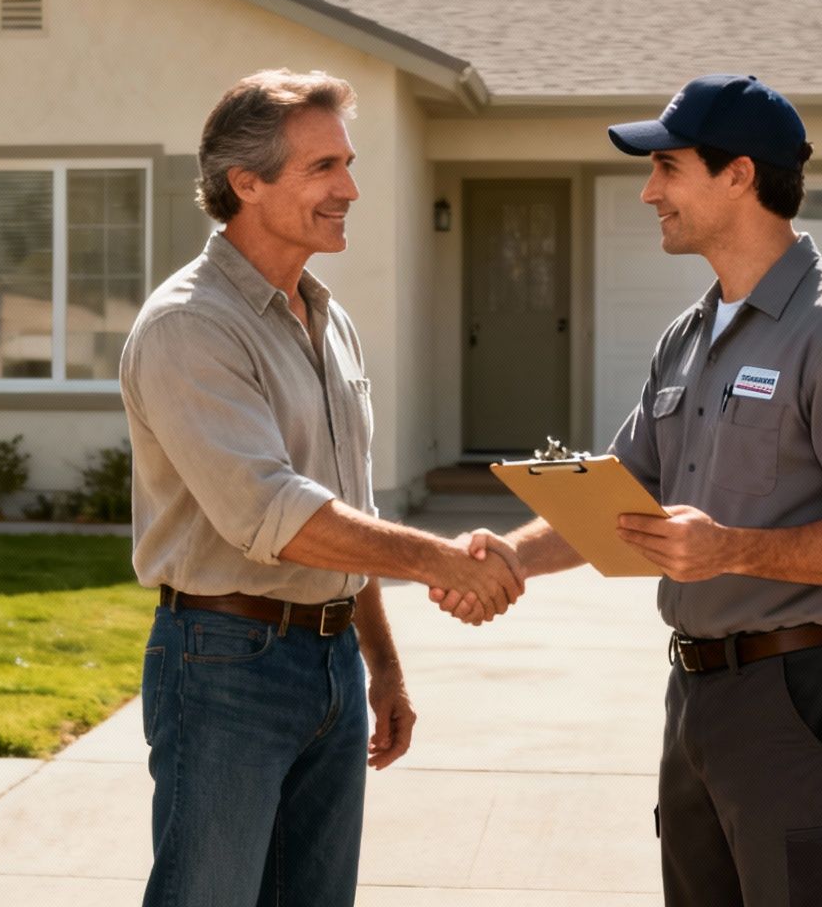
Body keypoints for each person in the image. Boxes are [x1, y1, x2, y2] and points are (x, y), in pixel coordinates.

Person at [438, 73, 822, 906]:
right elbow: (624, 497)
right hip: (699, 697)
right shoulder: (689, 334)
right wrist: (508, 559)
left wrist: (730, 548)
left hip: (799, 696)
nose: (648, 191)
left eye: (668, 168)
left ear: (738, 174)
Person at [121, 69, 524, 907]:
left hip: (332, 661)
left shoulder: (326, 318)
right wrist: (445, 562)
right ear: (246, 182)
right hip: (226, 664)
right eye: (323, 169)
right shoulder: (190, 326)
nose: (351, 189)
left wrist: (382, 665)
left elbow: (346, 508)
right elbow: (277, 515)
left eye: (347, 163)